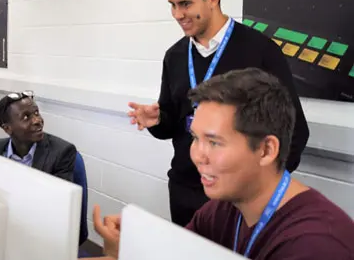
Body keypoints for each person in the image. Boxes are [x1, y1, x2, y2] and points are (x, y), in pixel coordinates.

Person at [92, 68, 354, 260]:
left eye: (214, 142)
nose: (197, 155)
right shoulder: (222, 210)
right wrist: (133, 246)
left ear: (266, 149)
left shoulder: (317, 246)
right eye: (195, 138)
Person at [127, 0, 309, 226]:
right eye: (173, 5)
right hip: (185, 190)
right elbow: (174, 122)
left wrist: (260, 188)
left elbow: (295, 130)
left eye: (185, 4)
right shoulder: (175, 56)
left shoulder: (259, 51)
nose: (177, 14)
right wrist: (158, 121)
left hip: (239, 199)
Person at [0, 91, 77, 182]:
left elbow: (58, 197)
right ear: (7, 128)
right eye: (26, 117)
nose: (37, 121)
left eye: (36, 113)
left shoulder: (61, 153)